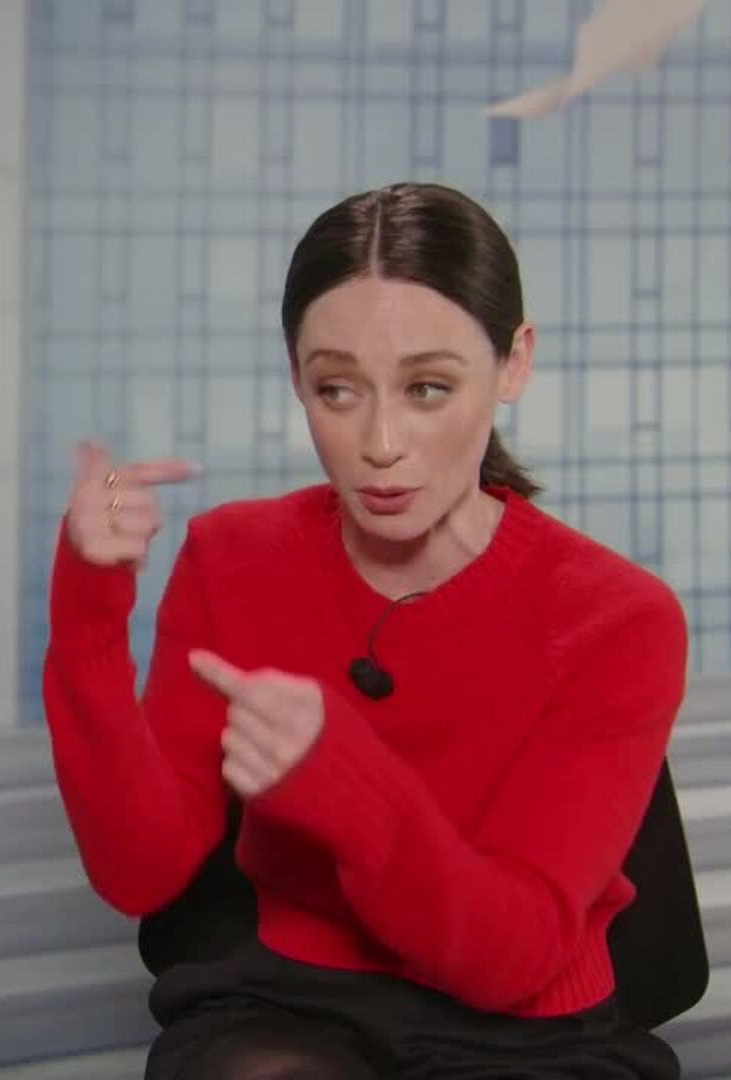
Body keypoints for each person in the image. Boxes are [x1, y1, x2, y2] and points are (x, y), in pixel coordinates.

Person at [41, 182, 691, 1079]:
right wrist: (89, 613)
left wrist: (340, 781)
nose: (381, 442)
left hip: (527, 1029)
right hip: (291, 1004)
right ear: (296, 377)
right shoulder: (234, 558)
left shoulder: (618, 618)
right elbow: (139, 872)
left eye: (428, 389)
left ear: (513, 364)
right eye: (337, 389)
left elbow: (512, 955)